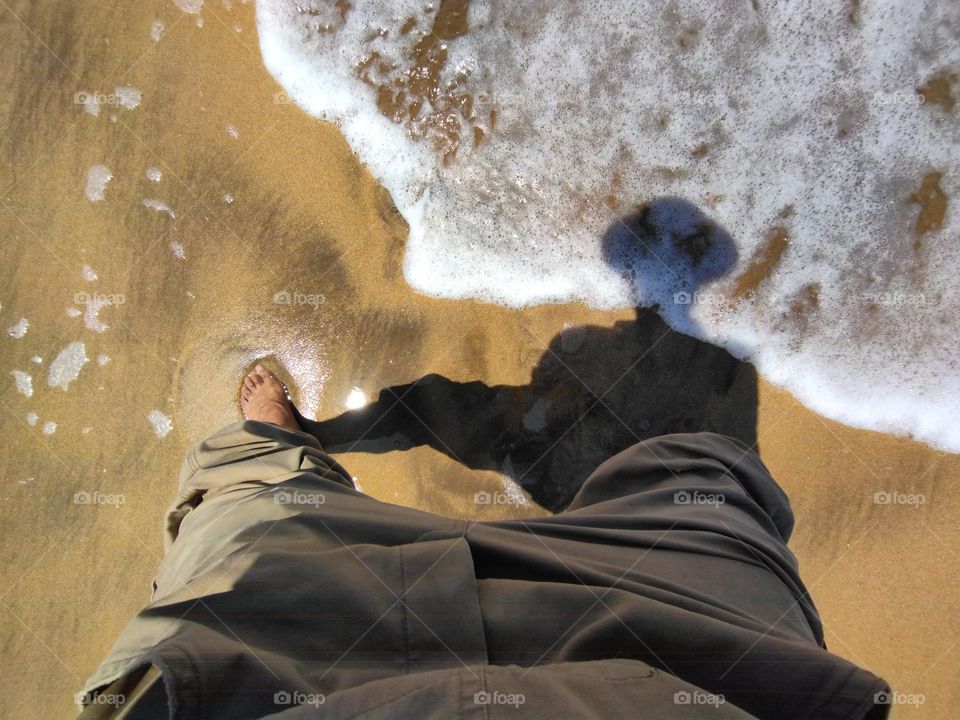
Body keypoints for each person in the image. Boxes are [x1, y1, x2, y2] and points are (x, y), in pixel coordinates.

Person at [77, 365, 890, 719]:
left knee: (242, 513)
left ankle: (282, 447)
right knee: (707, 483)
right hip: (690, 687)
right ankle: (283, 453)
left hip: (237, 684)